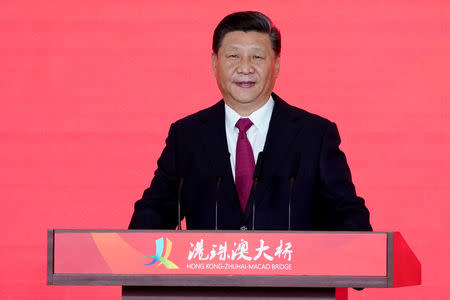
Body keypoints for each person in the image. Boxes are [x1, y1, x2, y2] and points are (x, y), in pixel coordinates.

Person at [128, 11, 372, 231]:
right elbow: (155, 210)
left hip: (294, 281)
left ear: (276, 65)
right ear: (214, 63)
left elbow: (346, 213)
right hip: (210, 280)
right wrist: (129, 255)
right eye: (233, 56)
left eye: (257, 57)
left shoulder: (315, 135)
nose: (245, 68)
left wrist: (358, 251)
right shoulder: (186, 136)